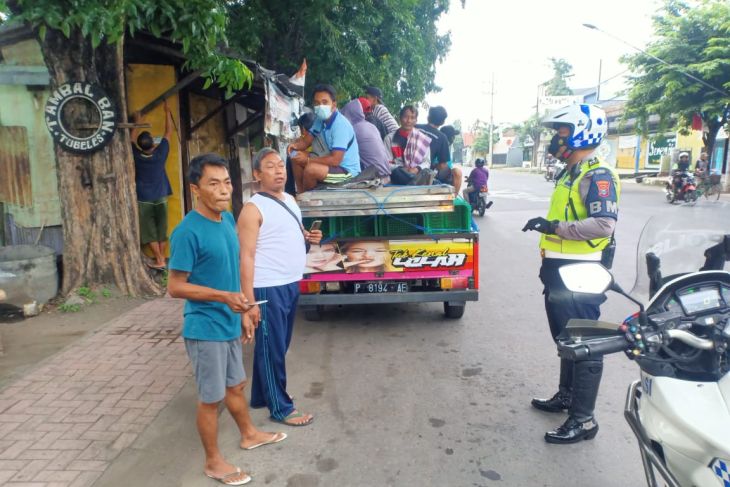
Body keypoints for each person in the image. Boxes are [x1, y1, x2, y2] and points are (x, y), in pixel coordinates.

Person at [168, 153, 286, 486]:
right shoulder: (187, 232)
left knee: (236, 384)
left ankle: (248, 433)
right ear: (195, 189)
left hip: (229, 321)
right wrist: (223, 298)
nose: (223, 190)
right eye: (213, 184)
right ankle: (213, 461)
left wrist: (246, 309)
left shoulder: (226, 219)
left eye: (227, 182)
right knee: (211, 398)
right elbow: (175, 287)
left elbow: (233, 273)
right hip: (205, 328)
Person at [522, 104, 620, 444]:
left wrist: (555, 227)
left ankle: (584, 420)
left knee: (585, 343)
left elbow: (604, 225)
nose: (555, 140)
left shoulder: (597, 174)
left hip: (582, 272)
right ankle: (566, 396)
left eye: (561, 133)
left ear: (581, 133)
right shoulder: (572, 171)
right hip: (560, 269)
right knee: (567, 339)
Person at [238, 148, 323, 426]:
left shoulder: (289, 200)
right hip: (267, 288)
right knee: (272, 347)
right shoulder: (253, 209)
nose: (279, 171)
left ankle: (263, 396)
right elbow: (246, 256)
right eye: (270, 166)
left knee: (276, 344)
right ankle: (280, 408)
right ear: (256, 174)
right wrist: (249, 302)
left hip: (289, 283)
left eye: (280, 166)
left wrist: (310, 237)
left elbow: (295, 238)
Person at [289, 84, 361, 192]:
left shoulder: (340, 125)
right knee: (295, 156)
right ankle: (300, 194)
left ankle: (308, 201)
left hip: (346, 171)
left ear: (334, 104)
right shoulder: (320, 119)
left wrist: (308, 160)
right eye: (317, 103)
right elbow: (306, 141)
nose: (320, 106)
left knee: (311, 169)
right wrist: (294, 146)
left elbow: (336, 160)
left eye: (324, 102)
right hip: (328, 160)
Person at [131, 102, 174, 270]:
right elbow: (168, 133)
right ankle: (162, 258)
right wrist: (167, 113)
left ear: (141, 145)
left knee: (149, 231)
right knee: (161, 229)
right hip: (161, 196)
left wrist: (137, 121)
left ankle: (159, 259)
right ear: (153, 144)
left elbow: (131, 139)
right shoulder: (160, 153)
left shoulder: (136, 155)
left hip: (144, 198)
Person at [340, 99, 392, 180]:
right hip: (387, 175)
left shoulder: (353, 129)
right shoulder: (371, 126)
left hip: (374, 177)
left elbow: (340, 153)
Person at [416, 106, 463, 194]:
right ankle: (452, 199)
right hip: (425, 173)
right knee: (457, 172)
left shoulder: (415, 127)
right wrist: (434, 166)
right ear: (442, 122)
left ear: (428, 117)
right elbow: (442, 166)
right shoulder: (442, 137)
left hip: (406, 168)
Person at [383, 105, 434, 186]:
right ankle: (415, 182)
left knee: (427, 172)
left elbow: (427, 162)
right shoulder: (389, 139)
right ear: (400, 118)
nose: (409, 121)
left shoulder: (423, 139)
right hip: (398, 174)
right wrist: (403, 169)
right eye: (405, 117)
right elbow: (386, 163)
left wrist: (417, 169)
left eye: (412, 118)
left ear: (416, 120)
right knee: (396, 172)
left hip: (417, 173)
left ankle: (414, 181)